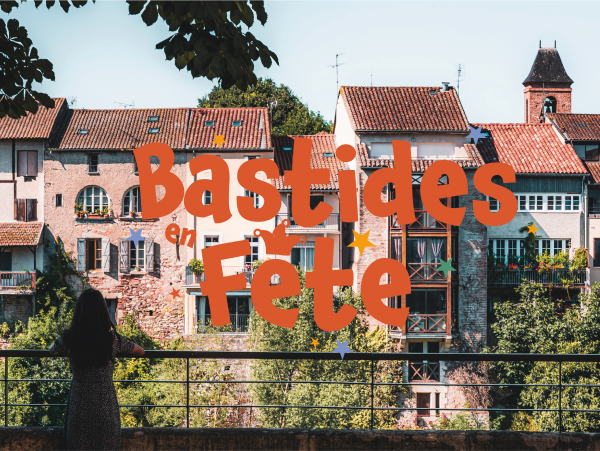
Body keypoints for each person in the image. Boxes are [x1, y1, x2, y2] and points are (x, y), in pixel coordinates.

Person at [50, 288, 145, 450]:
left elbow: (52, 350)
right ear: (103, 311)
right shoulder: (112, 339)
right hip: (105, 405)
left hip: (79, 404)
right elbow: (140, 351)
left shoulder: (69, 337)